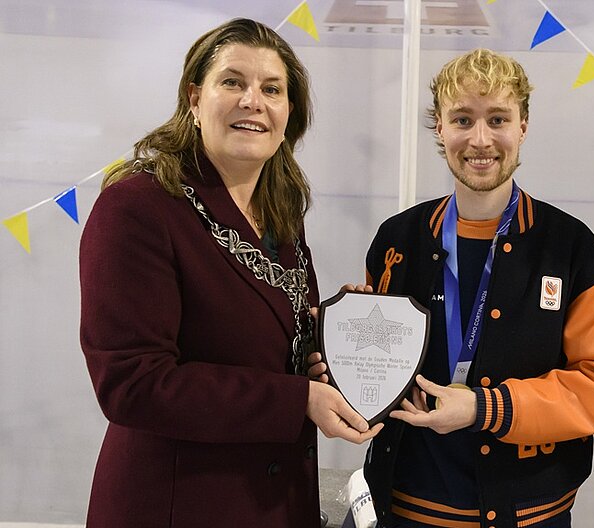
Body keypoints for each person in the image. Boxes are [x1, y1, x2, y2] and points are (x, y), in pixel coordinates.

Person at [79, 18, 381, 528]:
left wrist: (335, 335)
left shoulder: (279, 210)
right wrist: (297, 399)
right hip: (180, 507)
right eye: (232, 82)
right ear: (195, 99)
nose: (252, 101)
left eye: (271, 89)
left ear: (290, 114)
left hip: (278, 502)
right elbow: (133, 384)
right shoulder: (137, 206)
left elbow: (264, 339)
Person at [358, 48, 594, 527]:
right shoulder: (397, 239)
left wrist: (486, 408)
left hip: (530, 512)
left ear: (523, 126)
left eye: (499, 119)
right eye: (462, 119)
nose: (480, 139)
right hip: (409, 506)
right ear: (439, 128)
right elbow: (379, 372)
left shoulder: (571, 247)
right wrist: (343, 345)